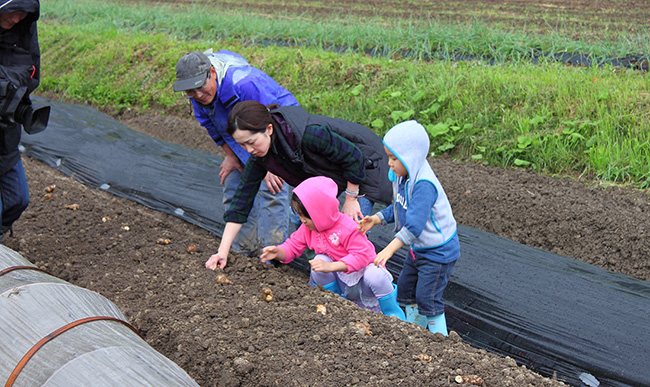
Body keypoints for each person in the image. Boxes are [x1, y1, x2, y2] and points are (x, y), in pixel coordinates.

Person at [204, 100, 393, 269]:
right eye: (242, 145)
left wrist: (351, 198)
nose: (249, 150)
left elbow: (353, 157)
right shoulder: (261, 156)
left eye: (251, 142)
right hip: (333, 172)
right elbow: (242, 198)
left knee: (350, 225)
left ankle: (364, 282)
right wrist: (222, 251)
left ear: (269, 129)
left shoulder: (309, 133)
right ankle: (323, 271)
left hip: (367, 164)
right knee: (306, 219)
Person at [173, 49, 298, 256]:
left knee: (272, 188)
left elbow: (273, 121)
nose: (198, 96)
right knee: (233, 181)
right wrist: (231, 155)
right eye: (190, 93)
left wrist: (272, 163)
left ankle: (271, 256)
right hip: (242, 138)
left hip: (276, 136)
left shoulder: (244, 84)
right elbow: (212, 125)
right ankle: (243, 252)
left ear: (212, 72)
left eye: (201, 88)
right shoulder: (197, 94)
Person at [357, 120, 460, 336]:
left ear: (410, 157)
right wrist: (376, 218)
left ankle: (440, 341)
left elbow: (414, 224)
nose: (390, 163)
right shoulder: (404, 178)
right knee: (405, 289)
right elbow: (400, 206)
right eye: (389, 157)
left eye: (394, 158)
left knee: (427, 297)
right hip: (419, 248)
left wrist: (388, 249)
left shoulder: (424, 185)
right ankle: (416, 333)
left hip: (438, 251)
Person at [260, 176, 405, 319]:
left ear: (320, 212)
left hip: (363, 280)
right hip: (342, 281)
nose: (302, 220)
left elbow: (362, 256)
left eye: (306, 216)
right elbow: (293, 246)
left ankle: (392, 314)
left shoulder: (348, 227)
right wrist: (278, 252)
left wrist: (331, 267)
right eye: (299, 215)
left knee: (375, 274)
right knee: (319, 261)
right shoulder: (308, 229)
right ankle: (334, 304)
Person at [0, 0, 49, 244]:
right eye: (13, 11)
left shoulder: (23, 29)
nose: (17, 18)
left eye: (24, 13)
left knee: (18, 199)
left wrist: (16, 104)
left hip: (6, 133)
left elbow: (32, 72)